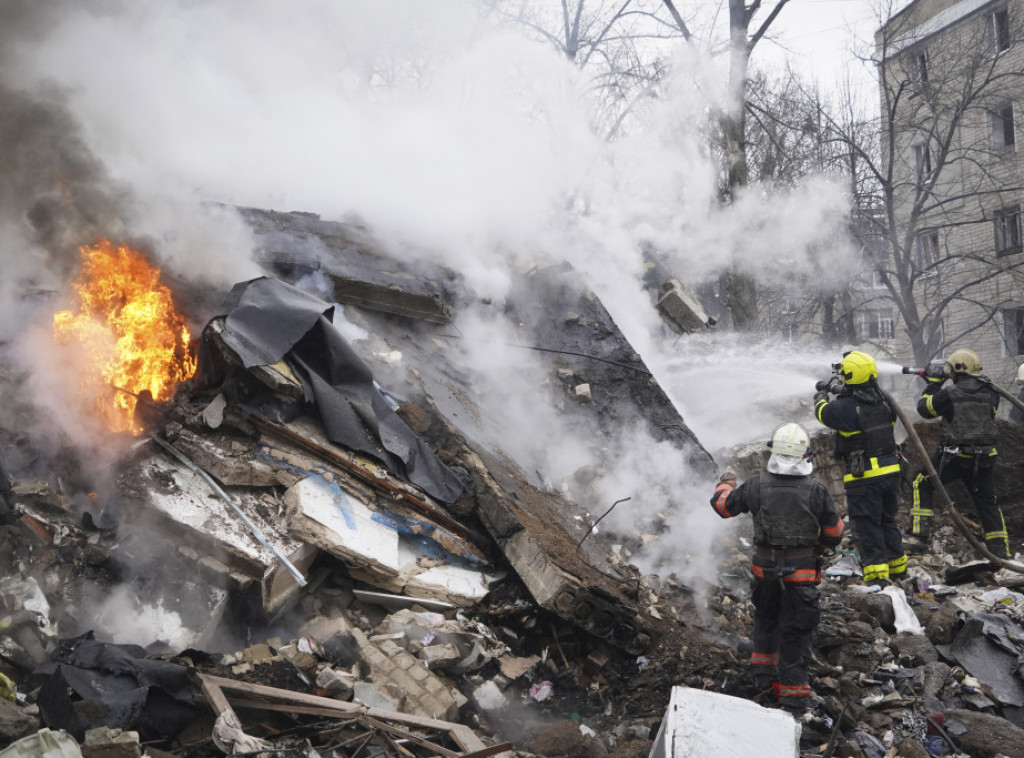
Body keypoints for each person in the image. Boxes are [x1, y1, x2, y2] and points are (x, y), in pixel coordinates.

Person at [711, 423, 844, 711]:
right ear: (804, 455)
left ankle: (762, 677)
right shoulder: (817, 490)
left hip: (765, 571)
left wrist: (727, 481)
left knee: (766, 621)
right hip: (802, 574)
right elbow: (834, 535)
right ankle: (794, 701)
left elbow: (722, 506)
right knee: (795, 633)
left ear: (774, 452)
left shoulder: (755, 486)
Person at [813, 350, 907, 585]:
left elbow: (822, 413)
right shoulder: (884, 401)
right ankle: (898, 570)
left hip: (865, 476)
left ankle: (878, 578)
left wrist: (822, 394)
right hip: (891, 471)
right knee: (887, 521)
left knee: (867, 526)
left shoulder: (845, 408)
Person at [908, 349, 1008, 557]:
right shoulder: (992, 392)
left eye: (951, 370)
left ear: (958, 371)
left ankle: (918, 536)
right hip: (985, 457)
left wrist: (934, 383)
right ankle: (1000, 552)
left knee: (921, 481)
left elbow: (924, 409)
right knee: (987, 502)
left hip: (957, 456)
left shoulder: (949, 394)